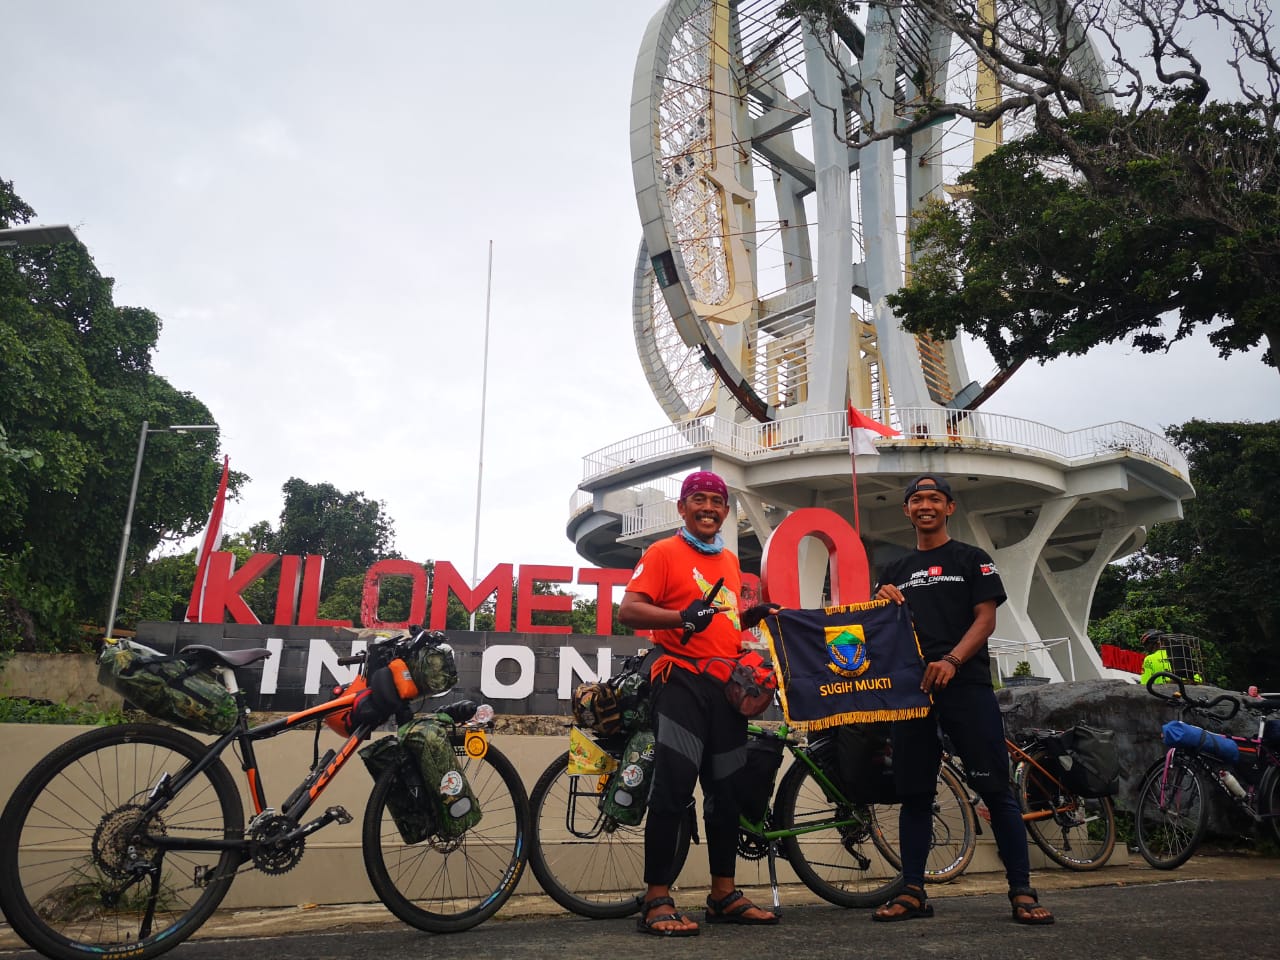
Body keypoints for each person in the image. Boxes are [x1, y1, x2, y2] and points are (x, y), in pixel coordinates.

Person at [872, 474, 1054, 926]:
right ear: (907, 510)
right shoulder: (894, 571)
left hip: (966, 687)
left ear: (949, 507)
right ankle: (912, 889)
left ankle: (1022, 891)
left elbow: (985, 620)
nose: (925, 505)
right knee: (915, 793)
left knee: (995, 789)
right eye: (917, 499)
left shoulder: (972, 560)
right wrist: (878, 601)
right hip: (912, 693)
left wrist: (952, 660)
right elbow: (874, 631)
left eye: (934, 498)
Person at [618, 469, 779, 937]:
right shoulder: (663, 553)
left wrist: (752, 614)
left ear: (726, 511)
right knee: (672, 790)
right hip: (681, 683)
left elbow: (717, 620)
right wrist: (678, 616)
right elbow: (628, 609)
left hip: (725, 688)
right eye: (699, 500)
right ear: (682, 508)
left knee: (726, 794)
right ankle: (655, 899)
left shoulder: (729, 560)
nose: (709, 508)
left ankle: (723, 894)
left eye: (716, 502)